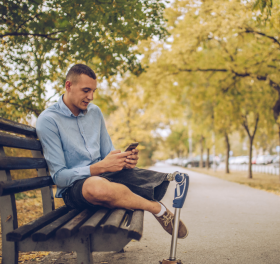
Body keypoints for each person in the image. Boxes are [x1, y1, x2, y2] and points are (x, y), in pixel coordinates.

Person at [36, 64, 188, 239]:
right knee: (96, 187)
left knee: (130, 178)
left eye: (93, 91)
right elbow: (59, 177)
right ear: (68, 86)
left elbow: (108, 153)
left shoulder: (94, 112)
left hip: (106, 178)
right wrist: (99, 168)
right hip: (77, 188)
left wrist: (124, 160)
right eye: (86, 90)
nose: (91, 97)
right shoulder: (48, 120)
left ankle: (125, 196)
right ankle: (157, 209)